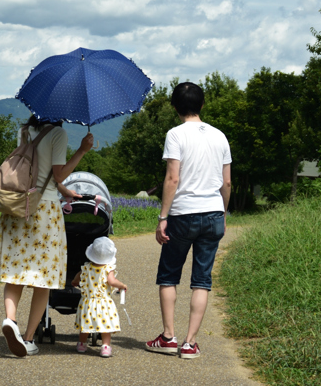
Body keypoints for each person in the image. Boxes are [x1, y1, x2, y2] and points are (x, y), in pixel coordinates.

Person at [0, 115, 94, 357]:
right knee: (43, 278)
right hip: (44, 211)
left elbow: (34, 171)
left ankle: (10, 320)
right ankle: (27, 339)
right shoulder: (58, 134)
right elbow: (58, 174)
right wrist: (82, 150)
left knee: (16, 271)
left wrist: (64, 191)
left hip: (18, 208)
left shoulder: (25, 130)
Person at [144, 81, 232, 360]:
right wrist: (223, 212)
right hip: (214, 212)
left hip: (183, 214)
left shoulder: (175, 134)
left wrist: (162, 217)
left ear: (174, 107)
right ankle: (190, 343)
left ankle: (168, 337)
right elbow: (227, 182)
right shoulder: (220, 136)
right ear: (202, 105)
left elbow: (172, 178)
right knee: (201, 280)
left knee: (169, 275)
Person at [72, 236, 127, 357]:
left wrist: (75, 282)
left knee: (85, 326)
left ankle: (81, 344)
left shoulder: (85, 268)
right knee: (105, 326)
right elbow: (112, 281)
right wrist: (121, 285)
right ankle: (105, 347)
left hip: (88, 303)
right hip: (103, 303)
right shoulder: (108, 269)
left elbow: (77, 278)